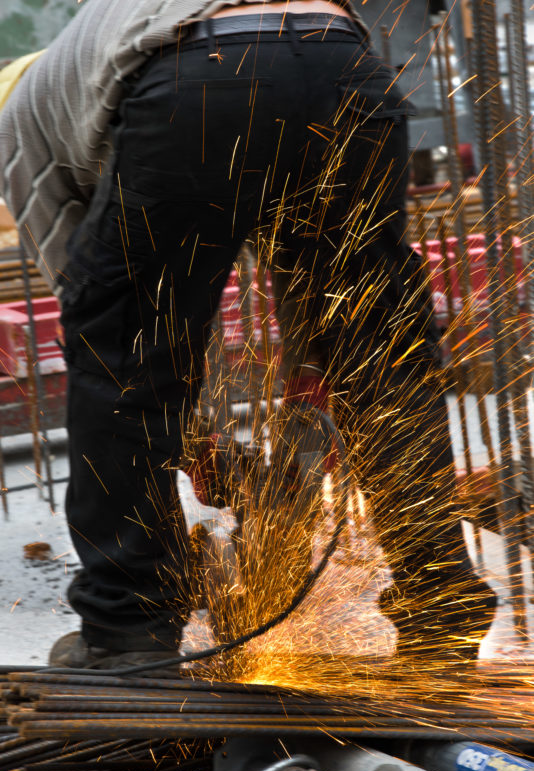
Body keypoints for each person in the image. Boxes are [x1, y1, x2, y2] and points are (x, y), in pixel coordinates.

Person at [0, 0, 496, 671]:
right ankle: (441, 610)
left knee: (116, 358)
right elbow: (306, 272)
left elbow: (116, 333)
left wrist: (187, 432)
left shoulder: (21, 122)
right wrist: (309, 373)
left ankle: (127, 633)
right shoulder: (95, 62)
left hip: (203, 78)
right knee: (378, 351)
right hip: (343, 66)